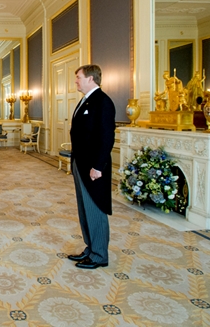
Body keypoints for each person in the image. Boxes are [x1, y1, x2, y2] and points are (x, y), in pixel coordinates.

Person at [68, 64, 116, 269]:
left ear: (90, 78)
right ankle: (90, 247)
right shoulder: (85, 101)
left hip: (93, 167)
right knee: (84, 208)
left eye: (78, 77)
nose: (76, 81)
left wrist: (98, 166)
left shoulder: (103, 101)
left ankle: (99, 255)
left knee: (95, 208)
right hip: (81, 164)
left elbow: (106, 137)